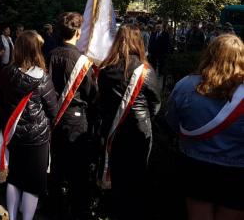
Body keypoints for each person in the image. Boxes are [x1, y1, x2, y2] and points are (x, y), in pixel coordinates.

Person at [165, 35, 244, 220]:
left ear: (209, 54)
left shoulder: (186, 85)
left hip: (196, 166)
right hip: (237, 170)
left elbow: (172, 121)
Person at [96, 24, 161, 220]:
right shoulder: (145, 70)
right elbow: (156, 103)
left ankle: (114, 209)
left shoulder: (105, 68)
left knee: (117, 172)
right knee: (137, 173)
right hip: (139, 130)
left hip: (112, 129)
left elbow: (102, 100)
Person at [0, 30, 58, 220]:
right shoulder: (43, 78)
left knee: (14, 179)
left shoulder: (6, 73)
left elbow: (1, 100)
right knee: (33, 184)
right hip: (36, 139)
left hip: (13, 135)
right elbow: (53, 110)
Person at [48, 13, 97, 219]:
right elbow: (91, 92)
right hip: (76, 117)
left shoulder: (51, 54)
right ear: (78, 32)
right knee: (78, 168)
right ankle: (78, 210)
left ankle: (55, 207)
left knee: (57, 165)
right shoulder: (81, 60)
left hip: (54, 115)